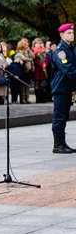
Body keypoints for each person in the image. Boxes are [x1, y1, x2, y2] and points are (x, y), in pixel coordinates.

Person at [50, 23, 76, 153]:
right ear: (62, 35)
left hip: (68, 87)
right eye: (69, 33)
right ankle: (57, 145)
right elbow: (68, 69)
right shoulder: (60, 51)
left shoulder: (71, 49)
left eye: (72, 32)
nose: (72, 35)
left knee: (64, 116)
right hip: (60, 88)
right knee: (59, 116)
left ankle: (63, 143)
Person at [16, 39, 34, 103]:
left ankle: (27, 98)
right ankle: (22, 99)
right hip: (23, 69)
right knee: (23, 85)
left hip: (28, 69)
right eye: (26, 45)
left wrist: (29, 50)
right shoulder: (19, 52)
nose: (27, 46)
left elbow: (33, 56)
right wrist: (30, 59)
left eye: (27, 45)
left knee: (27, 84)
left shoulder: (27, 51)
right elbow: (24, 58)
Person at [32, 38, 49, 103]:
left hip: (44, 70)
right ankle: (38, 98)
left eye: (40, 43)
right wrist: (41, 65)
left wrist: (45, 64)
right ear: (34, 44)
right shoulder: (33, 51)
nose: (39, 45)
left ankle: (43, 98)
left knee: (43, 84)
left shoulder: (44, 51)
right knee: (37, 84)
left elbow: (46, 59)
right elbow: (35, 60)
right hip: (38, 70)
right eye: (37, 43)